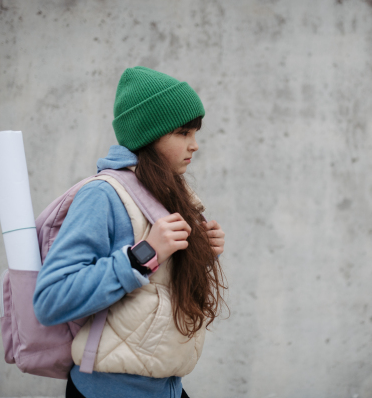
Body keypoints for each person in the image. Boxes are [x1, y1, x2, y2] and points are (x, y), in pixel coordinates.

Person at [33, 66, 227, 398]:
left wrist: (199, 256)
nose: (194, 145)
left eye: (196, 133)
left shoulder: (168, 192)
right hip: (107, 389)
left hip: (167, 386)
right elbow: (51, 298)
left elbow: (155, 296)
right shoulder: (103, 195)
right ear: (148, 135)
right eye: (182, 133)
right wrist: (144, 256)